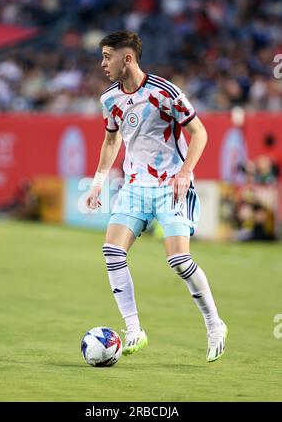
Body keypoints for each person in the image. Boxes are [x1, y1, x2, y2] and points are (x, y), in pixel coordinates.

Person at [86, 31, 228, 362]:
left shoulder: (166, 93)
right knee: (111, 251)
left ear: (127, 58)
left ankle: (214, 323)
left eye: (107, 56)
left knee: (178, 260)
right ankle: (134, 329)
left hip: (170, 185)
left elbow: (199, 133)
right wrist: (98, 182)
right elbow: (111, 141)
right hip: (135, 187)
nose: (102, 63)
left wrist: (186, 172)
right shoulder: (110, 99)